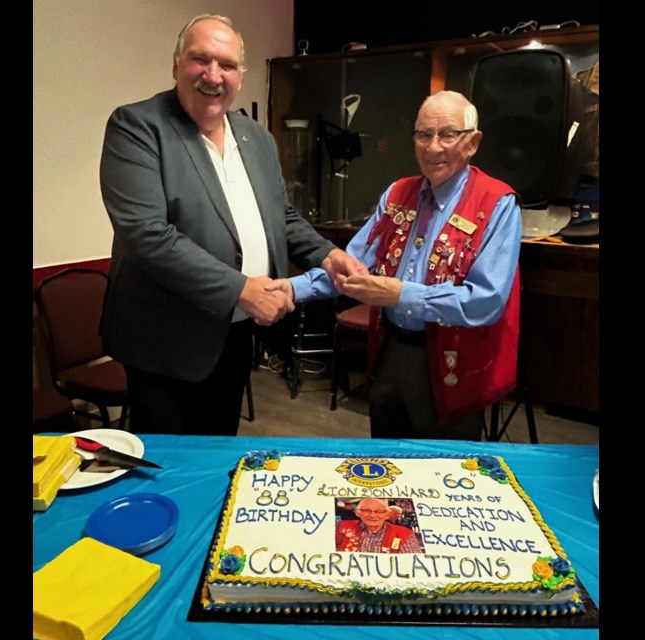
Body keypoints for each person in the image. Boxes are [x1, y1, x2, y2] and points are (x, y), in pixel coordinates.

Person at [98, 14, 366, 435]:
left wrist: (327, 253)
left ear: (240, 74)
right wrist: (242, 289)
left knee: (220, 445)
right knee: (172, 466)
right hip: (166, 340)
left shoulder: (255, 137)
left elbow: (280, 214)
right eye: (199, 59)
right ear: (175, 64)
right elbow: (147, 235)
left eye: (226, 64)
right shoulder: (137, 127)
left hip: (235, 333)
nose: (213, 75)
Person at [277, 90, 522, 440]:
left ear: (473, 142)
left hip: (451, 363)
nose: (433, 147)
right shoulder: (397, 194)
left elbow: (486, 301)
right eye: (424, 134)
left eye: (448, 134)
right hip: (390, 353)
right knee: (386, 464)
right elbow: (353, 265)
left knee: (443, 475)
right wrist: (291, 288)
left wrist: (399, 295)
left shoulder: (496, 203)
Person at [336, 498, 424, 553]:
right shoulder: (340, 526)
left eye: (379, 511)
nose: (372, 515)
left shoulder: (404, 534)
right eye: (366, 510)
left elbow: (412, 564)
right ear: (358, 513)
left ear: (387, 514)